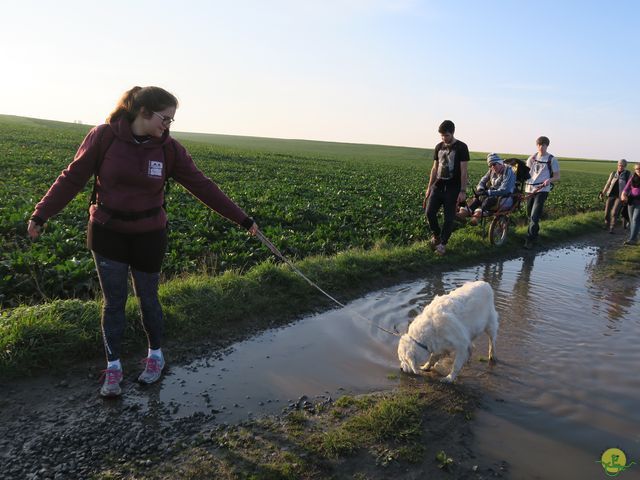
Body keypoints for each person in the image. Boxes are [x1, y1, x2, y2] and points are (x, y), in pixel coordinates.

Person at [27, 86, 258, 397]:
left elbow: (203, 186)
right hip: (108, 233)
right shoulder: (104, 137)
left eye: (172, 120)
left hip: (150, 234)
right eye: (166, 118)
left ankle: (155, 356)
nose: (169, 125)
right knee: (114, 303)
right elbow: (72, 177)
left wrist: (242, 219)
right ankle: (113, 367)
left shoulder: (169, 150)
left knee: (148, 298)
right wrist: (41, 214)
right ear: (144, 112)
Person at [423, 120, 469, 255]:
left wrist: (462, 190)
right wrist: (429, 187)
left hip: (453, 188)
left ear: (452, 133)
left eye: (446, 135)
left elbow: (464, 171)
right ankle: (436, 236)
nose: (444, 138)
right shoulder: (438, 147)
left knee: (449, 218)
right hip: (438, 186)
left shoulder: (461, 147)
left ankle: (443, 244)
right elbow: (434, 168)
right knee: (429, 212)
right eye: (442, 136)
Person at [458, 153, 516, 225]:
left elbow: (505, 190)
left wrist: (488, 192)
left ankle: (476, 217)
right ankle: (463, 213)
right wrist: (480, 189)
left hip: (505, 197)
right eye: (490, 165)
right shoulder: (492, 170)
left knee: (488, 200)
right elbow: (483, 180)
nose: (492, 167)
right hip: (493, 193)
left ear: (500, 163)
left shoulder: (508, 172)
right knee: (477, 197)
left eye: (494, 164)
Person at [523, 136, 560, 249]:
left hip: (542, 190)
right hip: (529, 189)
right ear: (537, 145)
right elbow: (526, 173)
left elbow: (557, 176)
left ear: (547, 146)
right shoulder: (532, 158)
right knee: (529, 214)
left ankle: (530, 240)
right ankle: (535, 233)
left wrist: (549, 180)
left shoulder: (552, 159)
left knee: (535, 215)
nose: (541, 147)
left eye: (543, 145)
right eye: (539, 145)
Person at [599, 159, 631, 233]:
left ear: (625, 166)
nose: (620, 167)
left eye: (622, 165)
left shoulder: (627, 174)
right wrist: (603, 193)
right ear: (617, 165)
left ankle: (612, 227)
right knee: (607, 211)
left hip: (620, 196)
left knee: (614, 212)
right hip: (611, 195)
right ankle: (606, 224)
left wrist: (627, 196)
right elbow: (608, 183)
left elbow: (629, 186)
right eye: (619, 165)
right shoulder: (613, 173)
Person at [620, 162, 640, 245]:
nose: (638, 170)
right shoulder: (632, 178)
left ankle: (632, 239)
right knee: (632, 221)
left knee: (635, 219)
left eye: (639, 168)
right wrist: (623, 194)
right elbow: (626, 188)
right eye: (636, 169)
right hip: (631, 201)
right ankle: (635, 237)